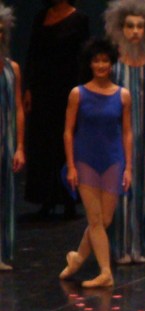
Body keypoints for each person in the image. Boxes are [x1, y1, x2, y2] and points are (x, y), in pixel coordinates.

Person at [59, 39, 133, 288]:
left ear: (112, 64)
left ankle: (78, 258)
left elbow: (127, 133)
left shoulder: (123, 95)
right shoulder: (78, 94)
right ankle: (105, 272)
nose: (101, 65)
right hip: (85, 161)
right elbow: (68, 131)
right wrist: (71, 165)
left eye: (105, 60)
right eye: (96, 60)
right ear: (89, 64)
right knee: (95, 220)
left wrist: (129, 167)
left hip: (113, 161)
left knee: (105, 220)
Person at [104, 0, 145, 264]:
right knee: (122, 187)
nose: (135, 32)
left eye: (140, 26)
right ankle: (121, 247)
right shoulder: (113, 65)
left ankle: (142, 246)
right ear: (121, 28)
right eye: (130, 26)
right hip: (120, 137)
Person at [23, 0, 88, 220]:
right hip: (42, 90)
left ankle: (69, 200)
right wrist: (29, 88)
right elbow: (33, 54)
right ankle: (46, 199)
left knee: (65, 143)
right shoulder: (41, 17)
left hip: (66, 90)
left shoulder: (79, 19)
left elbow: (83, 58)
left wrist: (82, 91)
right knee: (42, 143)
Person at [0, 4, 25, 271]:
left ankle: (2, 252)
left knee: (5, 196)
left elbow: (18, 107)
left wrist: (19, 146)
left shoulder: (12, 68)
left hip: (6, 141)